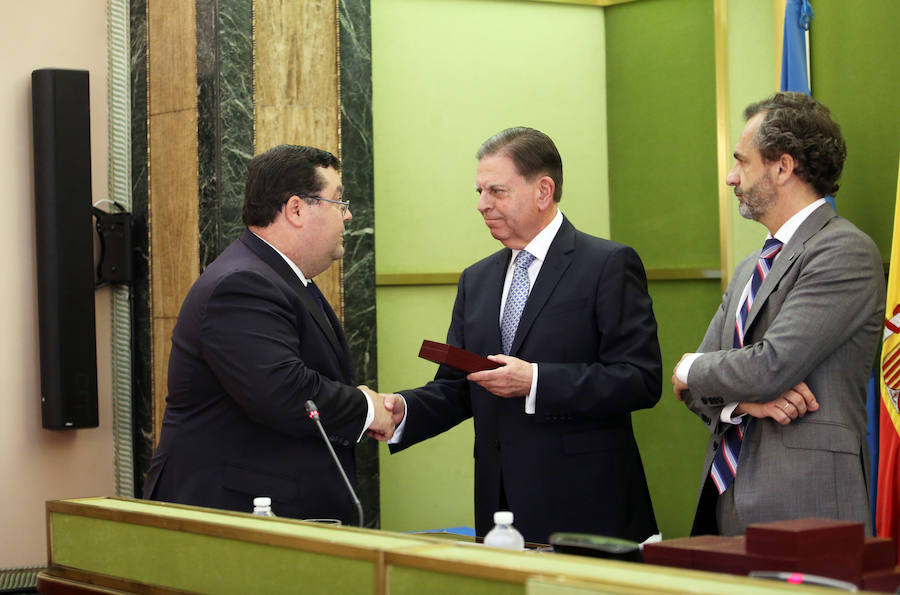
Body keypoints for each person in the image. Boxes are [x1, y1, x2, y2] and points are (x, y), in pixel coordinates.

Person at [373, 127, 662, 544]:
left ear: (543, 191)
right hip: (499, 508)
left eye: (497, 191)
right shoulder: (477, 279)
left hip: (587, 507)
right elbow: (458, 386)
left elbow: (640, 379)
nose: (482, 205)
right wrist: (403, 411)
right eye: (479, 191)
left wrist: (536, 382)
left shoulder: (607, 265)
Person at [144, 144, 394, 523]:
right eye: (339, 202)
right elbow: (284, 391)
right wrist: (366, 409)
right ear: (296, 209)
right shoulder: (243, 283)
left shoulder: (282, 278)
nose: (348, 216)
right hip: (234, 516)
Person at [672, 92, 885, 536]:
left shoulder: (844, 251)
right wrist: (741, 402)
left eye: (742, 162)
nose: (732, 178)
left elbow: (770, 365)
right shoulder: (753, 264)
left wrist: (690, 366)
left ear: (783, 167)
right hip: (725, 502)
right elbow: (693, 393)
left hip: (808, 508)